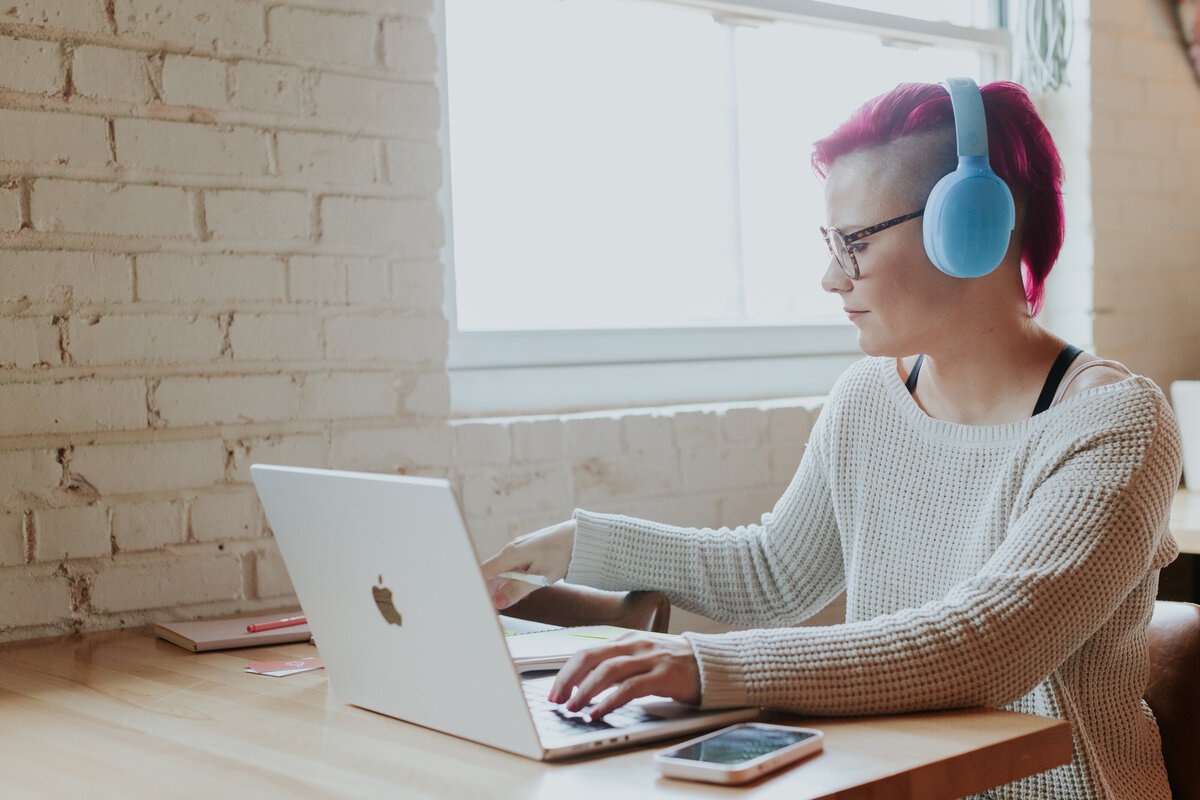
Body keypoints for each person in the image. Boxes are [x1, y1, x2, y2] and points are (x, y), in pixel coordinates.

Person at [481, 80, 1182, 800]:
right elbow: (773, 573)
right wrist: (578, 544)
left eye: (855, 242)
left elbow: (986, 647)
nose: (828, 276)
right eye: (830, 242)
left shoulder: (1116, 425)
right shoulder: (870, 397)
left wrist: (702, 666)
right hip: (897, 782)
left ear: (969, 227)